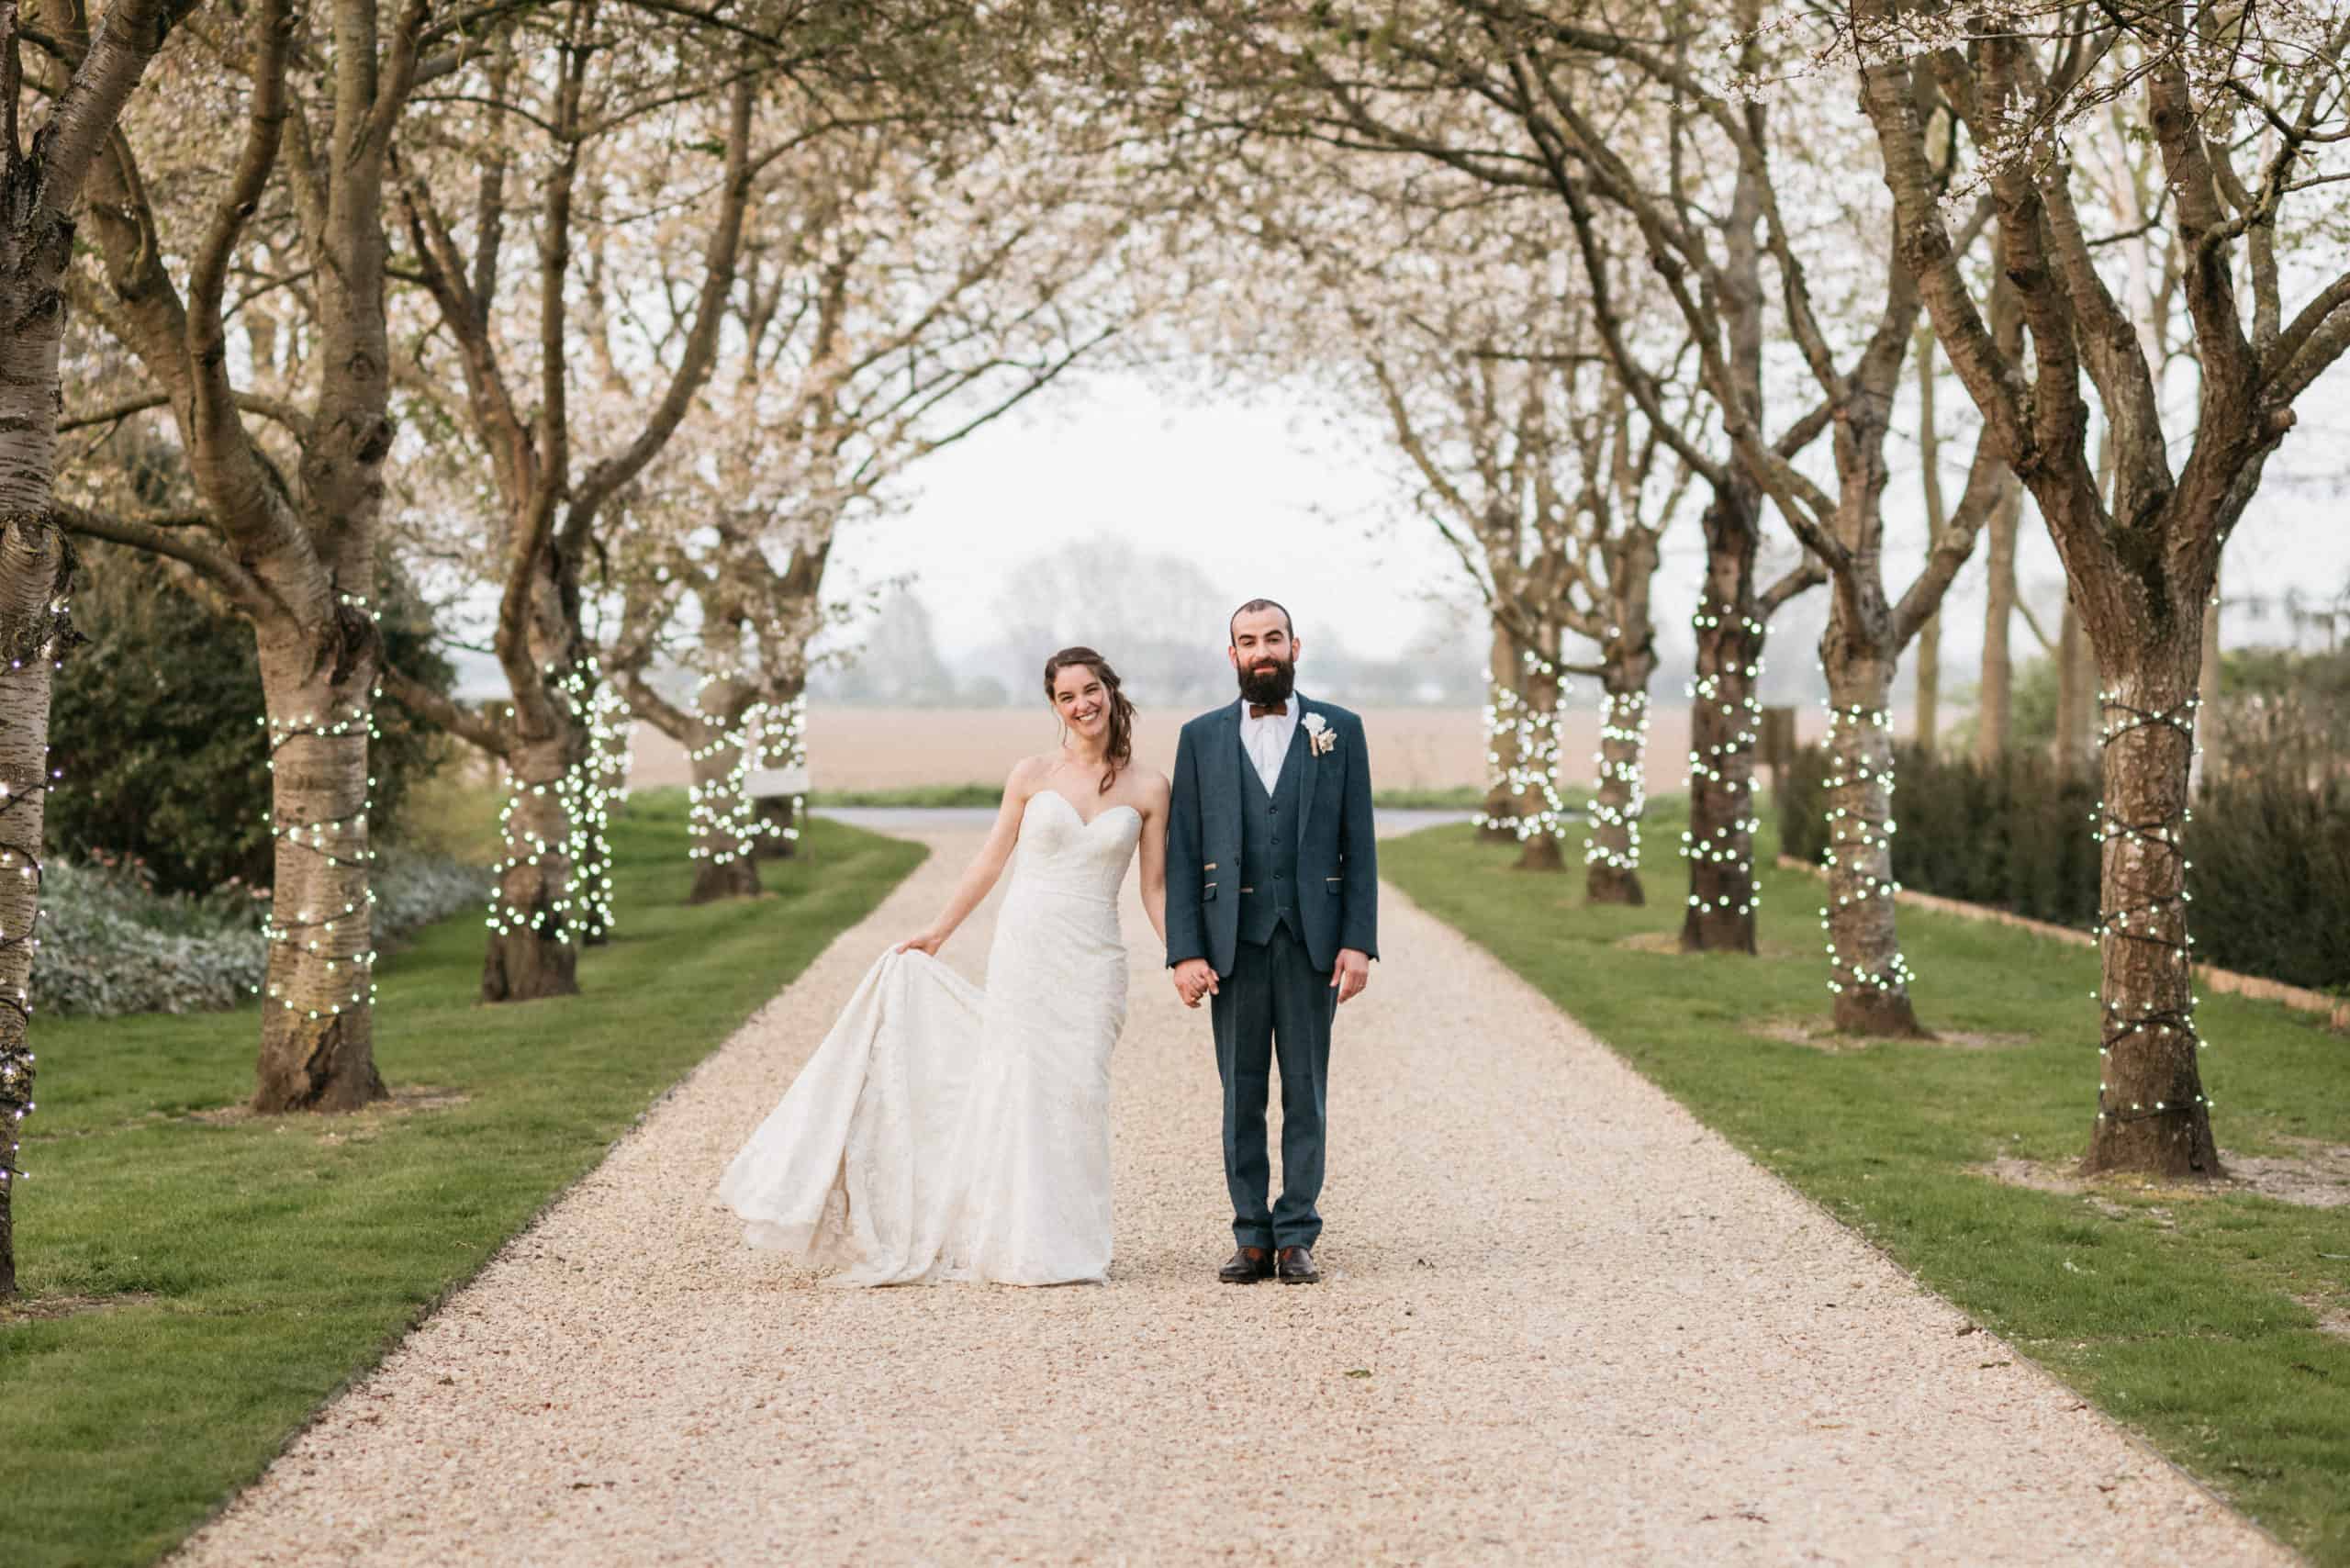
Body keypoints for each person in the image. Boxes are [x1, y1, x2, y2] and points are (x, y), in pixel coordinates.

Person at [716, 647, 1169, 1285]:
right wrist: (938, 932)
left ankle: (1073, 1240)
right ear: (1054, 706)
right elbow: (988, 862)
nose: (1082, 705)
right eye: (1067, 697)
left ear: (1111, 690)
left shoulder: (1149, 786)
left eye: (1090, 690)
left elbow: (1155, 888)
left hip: (1095, 959)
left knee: (1079, 1094)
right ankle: (1017, 1241)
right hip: (1027, 949)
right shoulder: (1032, 774)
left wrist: (1182, 954)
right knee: (1020, 1086)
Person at [1164, 599, 1377, 1285]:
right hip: (1233, 943)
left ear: (1295, 647)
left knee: (1306, 1093)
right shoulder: (1199, 738)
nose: (1262, 650)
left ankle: (1297, 1235)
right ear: (1231, 655)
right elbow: (1182, 850)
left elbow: (1360, 846)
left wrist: (1358, 943)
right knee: (1241, 1094)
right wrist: (1185, 950)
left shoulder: (1338, 731)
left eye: (1273, 639)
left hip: (1314, 942)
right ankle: (1250, 1234)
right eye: (1248, 640)